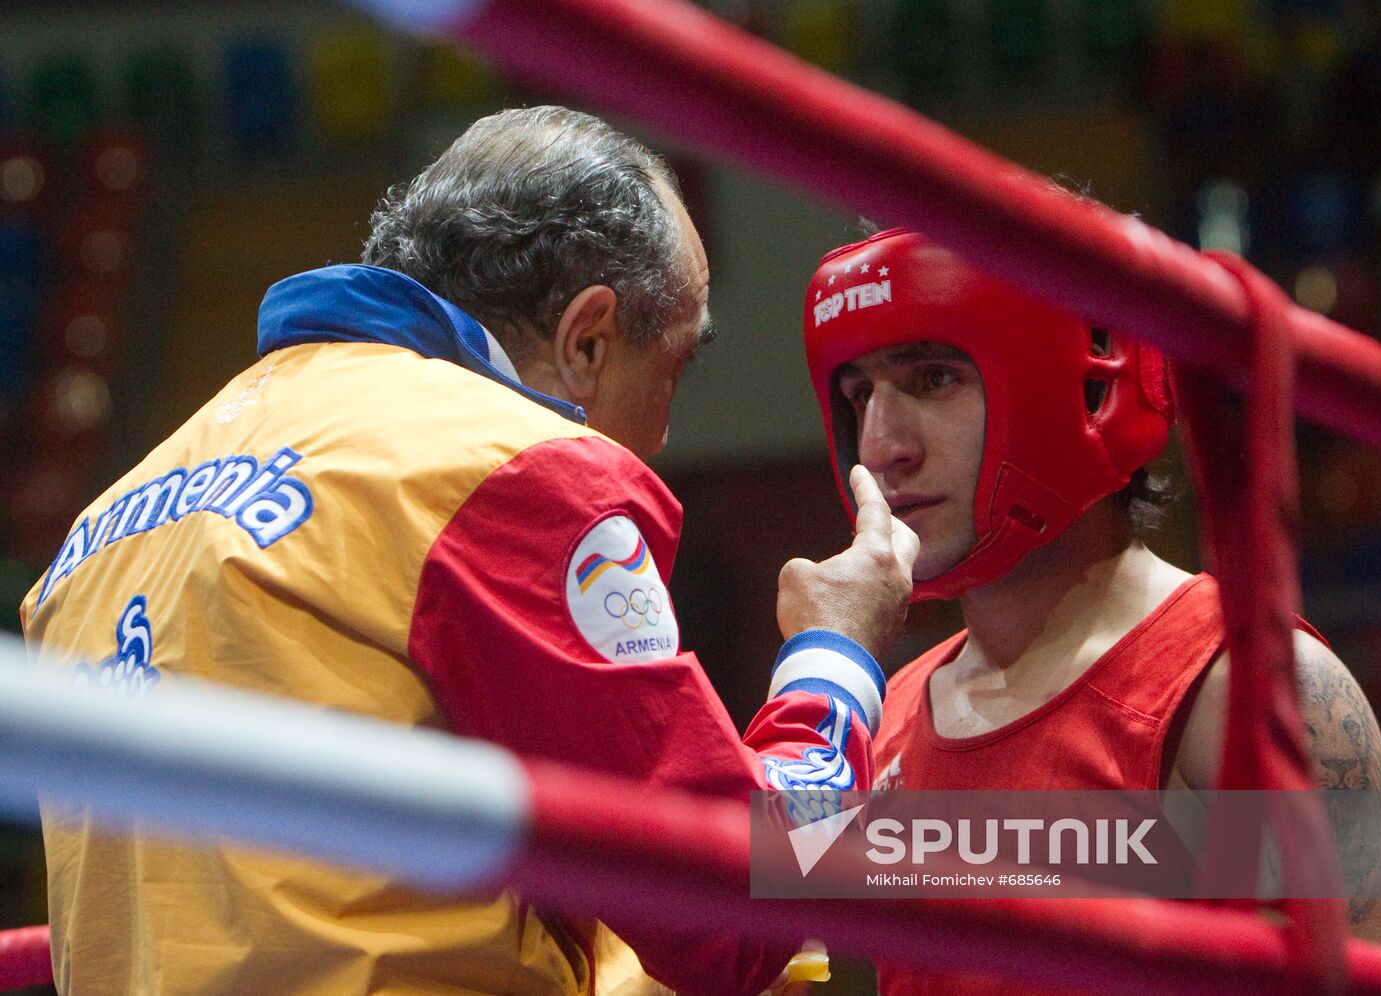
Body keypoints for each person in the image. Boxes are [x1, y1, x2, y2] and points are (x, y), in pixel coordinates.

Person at [20, 107, 918, 996]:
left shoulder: (108, 515)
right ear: (589, 338)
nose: (664, 433)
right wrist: (833, 659)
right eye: (674, 365)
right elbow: (741, 910)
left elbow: (324, 904)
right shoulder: (500, 468)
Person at [801, 228, 1381, 993]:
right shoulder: (886, 714)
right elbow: (717, 907)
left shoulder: (1237, 689)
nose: (883, 446)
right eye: (860, 397)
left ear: (1077, 387)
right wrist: (819, 658)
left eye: (932, 379)